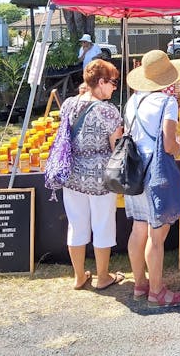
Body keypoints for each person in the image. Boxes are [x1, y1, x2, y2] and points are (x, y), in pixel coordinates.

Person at [124, 50, 180, 307]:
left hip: (134, 170)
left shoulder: (133, 102)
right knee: (156, 234)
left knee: (138, 228)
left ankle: (140, 284)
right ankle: (157, 291)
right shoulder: (167, 102)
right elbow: (169, 143)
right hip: (156, 170)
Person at [58, 59, 124, 289]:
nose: (115, 87)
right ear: (102, 82)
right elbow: (117, 148)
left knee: (76, 224)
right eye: (113, 82)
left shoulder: (68, 104)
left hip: (72, 173)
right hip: (101, 176)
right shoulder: (109, 111)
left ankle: (79, 276)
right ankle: (103, 276)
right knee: (103, 224)